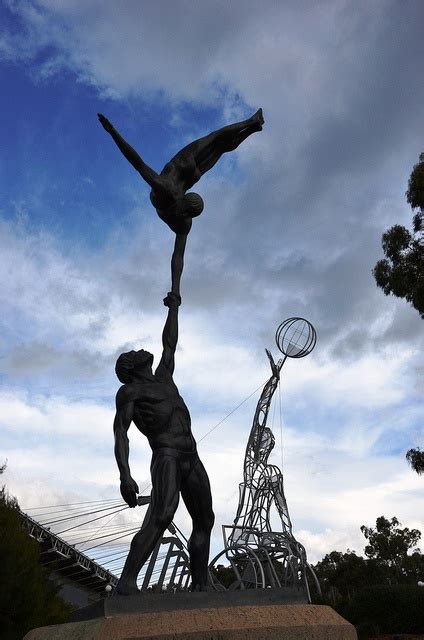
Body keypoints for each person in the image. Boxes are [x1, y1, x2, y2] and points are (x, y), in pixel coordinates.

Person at [113, 234, 214, 595]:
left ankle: (201, 586)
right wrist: (125, 474)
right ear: (130, 365)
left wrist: (174, 306)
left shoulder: (164, 378)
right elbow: (121, 434)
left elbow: (168, 342)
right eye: (136, 351)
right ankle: (126, 581)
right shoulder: (131, 392)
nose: (144, 349)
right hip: (167, 456)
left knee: (205, 519)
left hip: (192, 456)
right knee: (162, 513)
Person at [98, 108, 264, 234]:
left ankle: (252, 125)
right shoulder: (178, 215)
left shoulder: (179, 215)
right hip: (185, 167)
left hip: (188, 168)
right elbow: (138, 164)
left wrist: (113, 132)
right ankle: (251, 125)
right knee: (218, 143)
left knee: (217, 142)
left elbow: (137, 163)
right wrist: (112, 132)